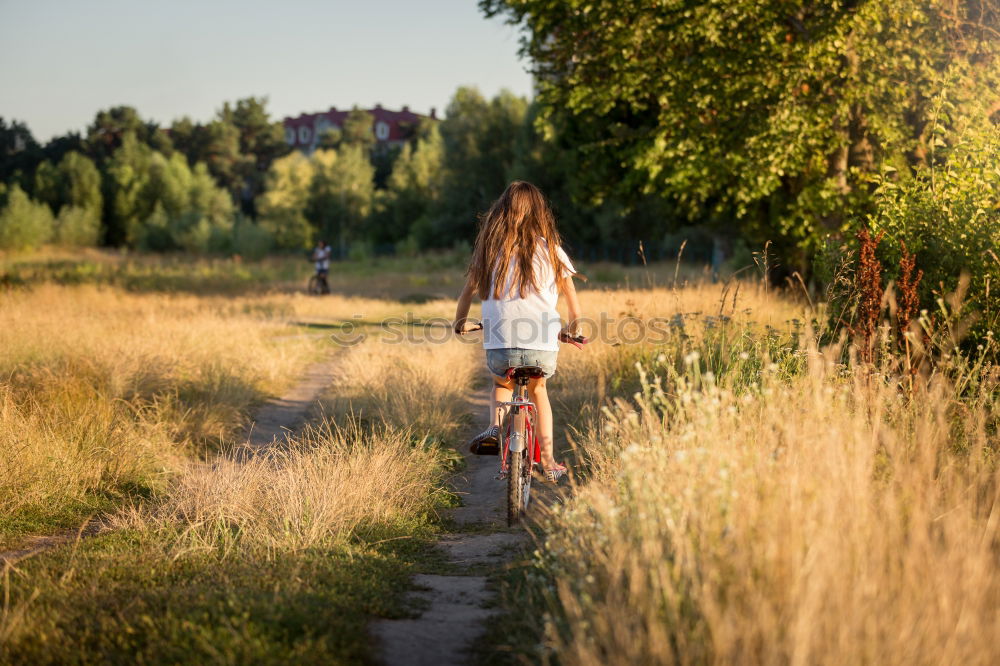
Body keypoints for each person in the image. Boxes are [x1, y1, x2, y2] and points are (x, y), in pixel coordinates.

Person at [453, 181, 584, 482]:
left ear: (500, 213)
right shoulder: (552, 251)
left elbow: (466, 295)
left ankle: (495, 427)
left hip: (501, 345)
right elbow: (576, 312)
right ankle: (549, 461)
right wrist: (568, 330)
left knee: (502, 383)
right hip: (542, 345)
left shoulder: (488, 251)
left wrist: (461, 322)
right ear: (540, 214)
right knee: (539, 390)